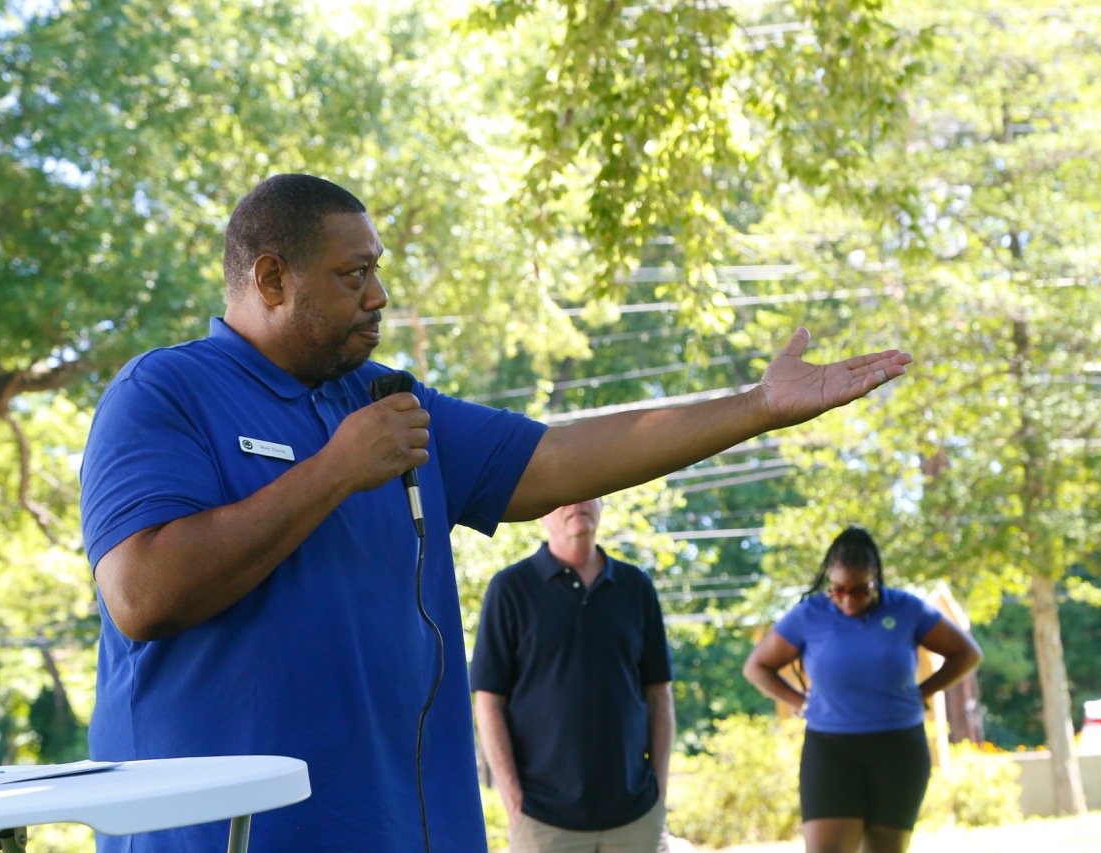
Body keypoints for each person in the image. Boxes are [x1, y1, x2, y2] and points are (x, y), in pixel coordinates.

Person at [79, 172, 913, 852]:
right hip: (219, 836)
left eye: (377, 267)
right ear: (270, 278)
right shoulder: (165, 391)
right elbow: (143, 592)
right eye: (352, 273)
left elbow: (554, 459)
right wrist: (334, 470)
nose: (378, 294)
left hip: (396, 829)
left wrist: (757, 406)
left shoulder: (385, 400)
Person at [742, 526, 982, 853]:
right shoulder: (809, 615)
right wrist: (801, 702)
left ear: (876, 579)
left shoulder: (906, 609)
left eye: (859, 590)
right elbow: (756, 666)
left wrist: (922, 691)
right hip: (830, 749)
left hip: (898, 747)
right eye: (837, 590)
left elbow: (967, 653)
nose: (847, 599)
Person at [471, 498, 674, 852]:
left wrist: (659, 792)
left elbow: (659, 697)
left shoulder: (636, 587)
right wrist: (514, 802)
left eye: (587, 492)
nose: (575, 502)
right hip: (543, 821)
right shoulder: (510, 588)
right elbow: (488, 704)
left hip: (636, 818)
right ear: (541, 514)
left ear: (602, 504)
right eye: (561, 496)